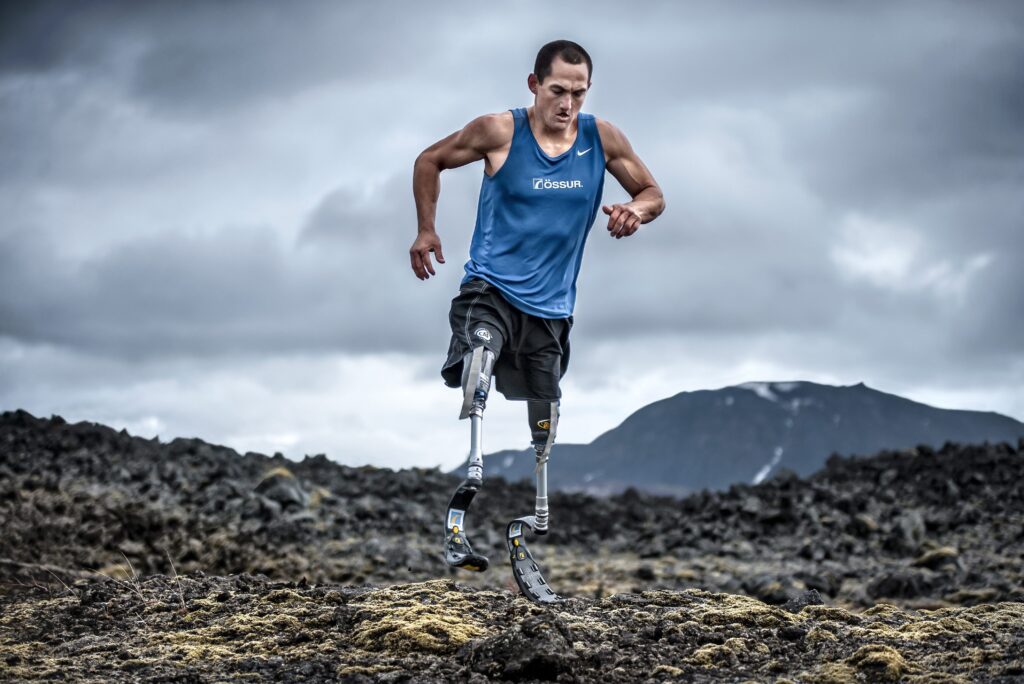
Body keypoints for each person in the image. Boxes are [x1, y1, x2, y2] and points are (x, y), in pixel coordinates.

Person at [409, 40, 664, 602]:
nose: (567, 104)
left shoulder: (602, 138)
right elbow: (429, 160)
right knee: (480, 356)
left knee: (545, 413)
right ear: (534, 85)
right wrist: (427, 229)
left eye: (578, 93)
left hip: (551, 311)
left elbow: (653, 193)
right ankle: (467, 493)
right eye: (557, 91)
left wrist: (635, 211)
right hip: (490, 290)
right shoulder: (499, 132)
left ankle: (532, 522)